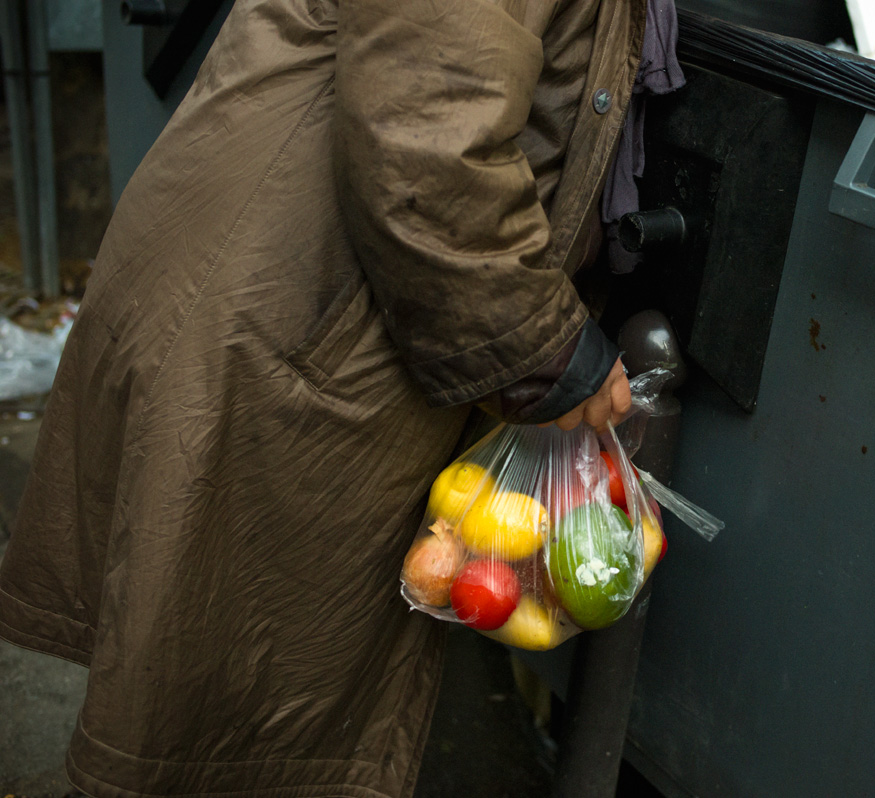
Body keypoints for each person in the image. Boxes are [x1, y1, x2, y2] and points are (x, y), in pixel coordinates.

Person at [0, 1, 659, 795]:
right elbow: (428, 133)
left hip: (292, 297)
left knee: (227, 701)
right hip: (291, 315)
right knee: (227, 724)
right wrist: (549, 354)